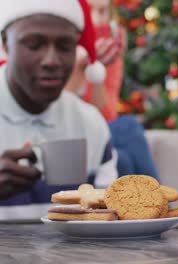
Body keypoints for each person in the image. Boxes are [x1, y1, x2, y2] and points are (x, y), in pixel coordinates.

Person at [0, 0, 118, 220]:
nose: (51, 61)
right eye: (34, 45)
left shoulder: (90, 124)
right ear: (6, 43)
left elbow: (108, 222)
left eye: (65, 47)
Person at [65, 0, 159, 180]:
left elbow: (105, 113)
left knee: (122, 161)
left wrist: (96, 68)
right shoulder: (58, 45)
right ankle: (165, 207)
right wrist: (78, 68)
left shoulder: (110, 49)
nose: (96, 19)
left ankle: (153, 207)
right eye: (89, 10)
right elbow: (59, 110)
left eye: (102, 11)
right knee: (128, 127)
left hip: (98, 132)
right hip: (70, 135)